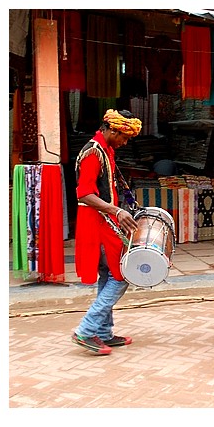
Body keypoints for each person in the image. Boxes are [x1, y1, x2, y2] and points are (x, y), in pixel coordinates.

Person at [71, 109, 141, 354]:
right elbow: (84, 193)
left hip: (104, 221)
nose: (124, 141)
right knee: (121, 276)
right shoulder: (93, 153)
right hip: (98, 224)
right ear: (111, 130)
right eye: (123, 136)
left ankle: (103, 333)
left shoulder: (105, 150)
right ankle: (86, 330)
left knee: (108, 275)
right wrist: (117, 211)